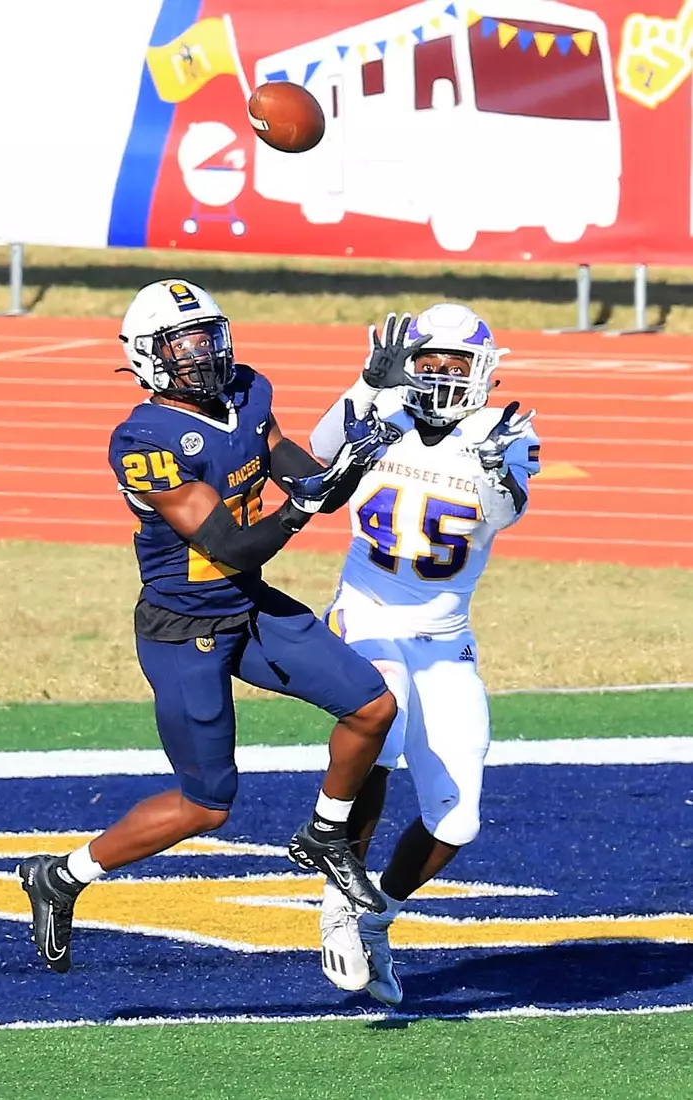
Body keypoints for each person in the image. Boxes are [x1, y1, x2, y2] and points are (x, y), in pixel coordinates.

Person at [16, 278, 399, 974]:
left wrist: (366, 430)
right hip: (184, 628)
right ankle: (62, 876)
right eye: (182, 344)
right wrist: (305, 504)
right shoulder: (142, 437)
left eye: (207, 337)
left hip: (246, 607)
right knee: (207, 805)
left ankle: (325, 833)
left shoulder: (248, 391)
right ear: (146, 355)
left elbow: (305, 474)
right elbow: (232, 545)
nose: (201, 354)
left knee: (373, 708)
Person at [308, 302, 541, 1006]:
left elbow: (507, 511)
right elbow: (318, 453)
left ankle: (378, 915)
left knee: (458, 818)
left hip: (445, 637)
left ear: (482, 372)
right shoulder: (381, 411)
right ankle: (336, 900)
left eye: (455, 364)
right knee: (382, 728)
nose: (439, 375)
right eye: (427, 361)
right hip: (367, 613)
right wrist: (364, 386)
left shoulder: (505, 432)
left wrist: (498, 471)